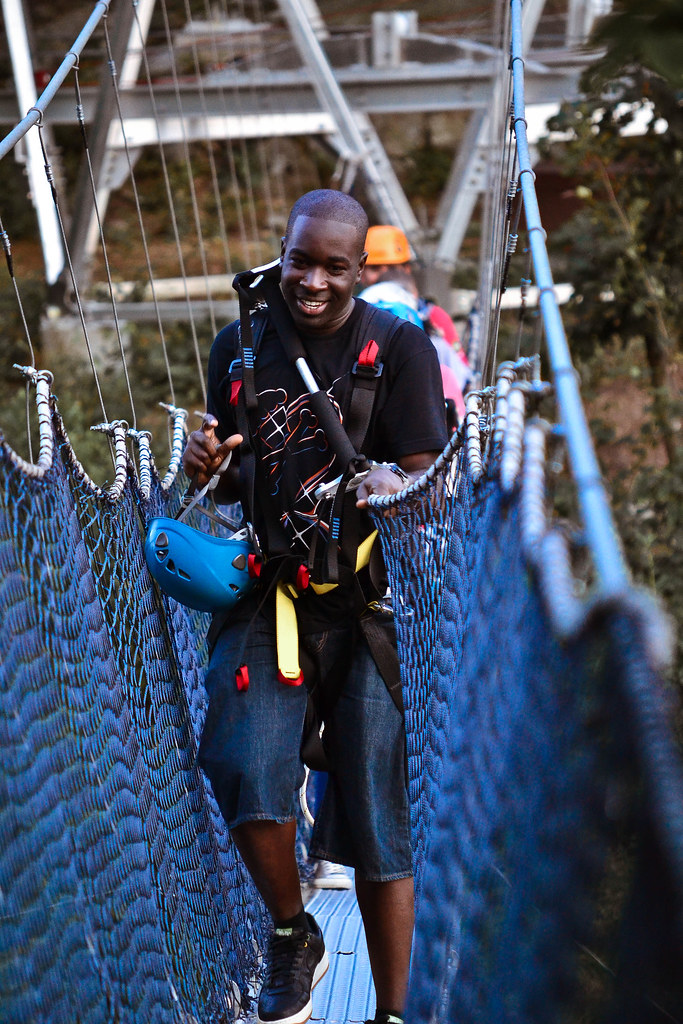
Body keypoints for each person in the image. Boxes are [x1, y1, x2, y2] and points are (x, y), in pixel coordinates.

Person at [182, 189, 448, 1024]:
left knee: (379, 817)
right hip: (270, 592)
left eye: (336, 267)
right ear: (283, 251)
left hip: (371, 606)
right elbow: (230, 473)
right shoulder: (240, 344)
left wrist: (392, 483)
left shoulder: (399, 348)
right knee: (242, 767)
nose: (313, 281)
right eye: (301, 260)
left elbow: (427, 479)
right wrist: (204, 463)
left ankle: (394, 1014)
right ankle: (294, 931)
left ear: (361, 270)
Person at [359, 225, 470, 424]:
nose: (384, 277)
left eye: (393, 269)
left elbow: (459, 368)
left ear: (407, 269)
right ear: (361, 269)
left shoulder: (434, 316)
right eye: (375, 268)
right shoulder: (357, 310)